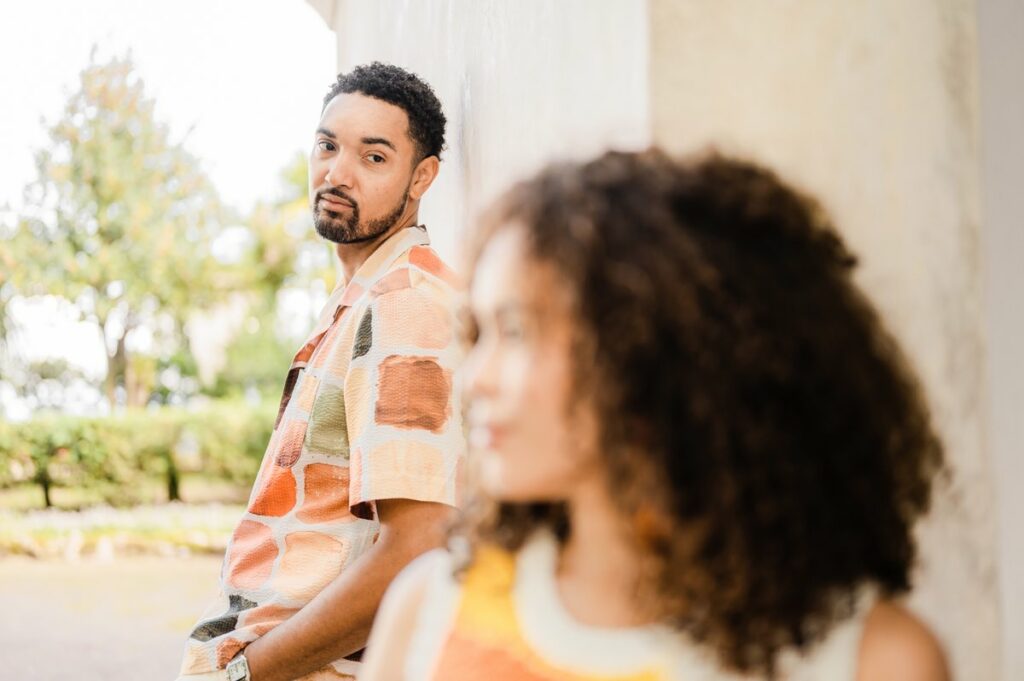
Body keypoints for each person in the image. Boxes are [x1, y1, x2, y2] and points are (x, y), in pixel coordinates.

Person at [359, 150, 950, 680]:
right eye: (478, 334)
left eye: (515, 331)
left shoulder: (873, 661)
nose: (474, 378)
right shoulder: (430, 616)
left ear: (652, 354)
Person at [177, 62, 465, 681]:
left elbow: (418, 547)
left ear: (422, 177)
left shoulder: (402, 305)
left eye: (374, 157)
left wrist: (248, 673)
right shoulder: (364, 297)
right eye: (328, 145)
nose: (337, 172)